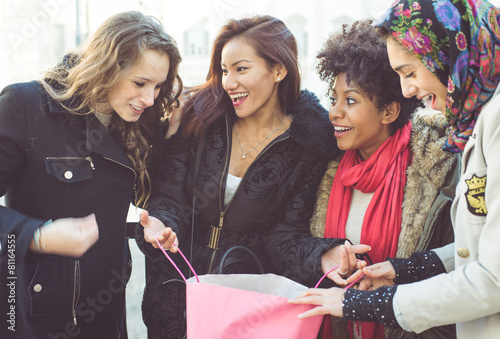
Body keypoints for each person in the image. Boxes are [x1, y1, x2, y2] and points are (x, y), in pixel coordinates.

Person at [135, 15, 357, 339]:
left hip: (244, 309)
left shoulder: (308, 146)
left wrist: (322, 255)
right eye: (224, 71)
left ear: (278, 70)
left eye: (241, 69)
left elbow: (284, 235)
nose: (228, 83)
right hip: (176, 294)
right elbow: (169, 195)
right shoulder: (200, 118)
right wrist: (161, 225)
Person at [291, 0, 500, 338]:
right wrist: (404, 269)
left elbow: (492, 278)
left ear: (448, 56)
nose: (408, 91)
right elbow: (472, 250)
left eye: (410, 72)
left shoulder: (491, 124)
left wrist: (366, 304)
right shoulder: (476, 122)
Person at [0, 11, 182, 338]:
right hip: (28, 316)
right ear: (106, 65)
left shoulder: (141, 122)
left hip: (105, 318)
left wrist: (150, 223)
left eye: (157, 86)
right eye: (140, 83)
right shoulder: (24, 105)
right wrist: (39, 235)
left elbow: (129, 200)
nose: (149, 98)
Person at [306, 20, 459, 339]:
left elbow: (456, 272)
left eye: (350, 101)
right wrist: (325, 256)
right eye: (333, 99)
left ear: (389, 112)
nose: (334, 112)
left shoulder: (438, 168)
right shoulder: (325, 164)